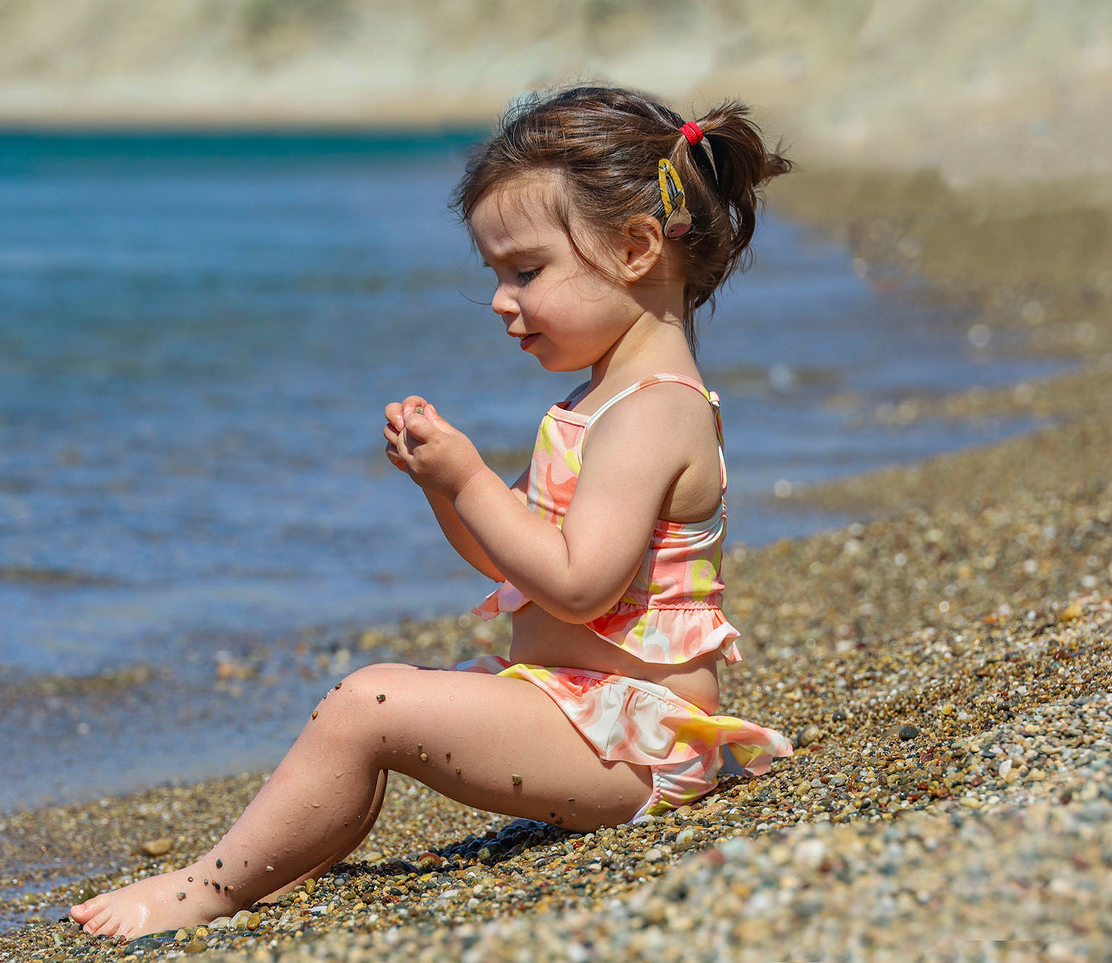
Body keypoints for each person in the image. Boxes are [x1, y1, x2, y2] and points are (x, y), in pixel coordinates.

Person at [70, 84, 794, 941]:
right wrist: (445, 487)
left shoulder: (650, 411)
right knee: (383, 701)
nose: (500, 299)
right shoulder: (605, 398)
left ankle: (209, 886)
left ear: (637, 246)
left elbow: (576, 584)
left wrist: (471, 476)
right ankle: (283, 859)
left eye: (525, 271)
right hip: (577, 711)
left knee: (367, 701)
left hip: (629, 741)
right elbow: (511, 563)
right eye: (495, 275)